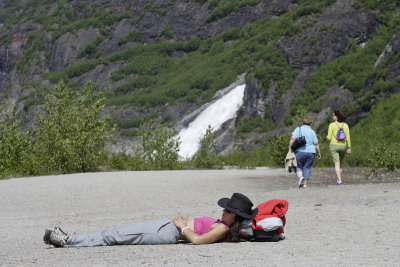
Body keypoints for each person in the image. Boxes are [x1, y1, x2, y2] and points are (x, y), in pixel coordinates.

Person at [43, 193, 258, 248]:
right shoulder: (223, 225)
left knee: (116, 236)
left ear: (235, 217)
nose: (223, 211)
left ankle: (68, 240)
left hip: (169, 232)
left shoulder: (222, 230)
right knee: (118, 231)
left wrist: (183, 227)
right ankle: (71, 238)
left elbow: (198, 241)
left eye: (227, 210)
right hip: (166, 228)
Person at [289, 118, 321, 188]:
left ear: (302, 123)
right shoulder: (312, 131)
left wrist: (290, 150)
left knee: (297, 165)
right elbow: (316, 143)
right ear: (310, 124)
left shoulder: (299, 129)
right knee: (307, 167)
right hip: (311, 152)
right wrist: (319, 153)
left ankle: (300, 177)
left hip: (300, 151)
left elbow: (292, 139)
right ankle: (305, 184)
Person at [326, 110, 351, 185]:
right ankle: (339, 179)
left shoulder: (332, 125)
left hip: (334, 145)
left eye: (333, 115)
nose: (332, 116)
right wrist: (349, 147)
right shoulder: (345, 125)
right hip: (343, 146)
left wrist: (328, 136)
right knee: (340, 163)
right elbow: (348, 137)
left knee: (336, 163)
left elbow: (329, 138)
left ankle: (339, 180)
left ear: (336, 117)